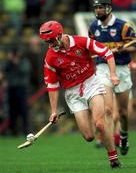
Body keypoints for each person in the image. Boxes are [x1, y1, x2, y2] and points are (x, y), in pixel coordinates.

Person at [39, 20, 121, 168]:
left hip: (92, 84)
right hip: (73, 93)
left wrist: (113, 74)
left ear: (60, 35)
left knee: (100, 123)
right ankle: (93, 117)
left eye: (51, 40)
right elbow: (52, 86)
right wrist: (53, 111)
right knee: (89, 136)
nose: (50, 44)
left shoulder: (81, 41)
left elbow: (107, 53)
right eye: (47, 42)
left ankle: (113, 159)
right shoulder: (50, 58)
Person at [89, 0, 136, 155]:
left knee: (123, 113)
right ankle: (112, 151)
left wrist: (120, 49)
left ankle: (124, 136)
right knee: (108, 111)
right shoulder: (93, 28)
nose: (98, 10)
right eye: (96, 7)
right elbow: (90, 48)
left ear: (109, 8)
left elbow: (135, 45)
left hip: (122, 70)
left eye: (101, 7)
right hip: (103, 69)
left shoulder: (122, 26)